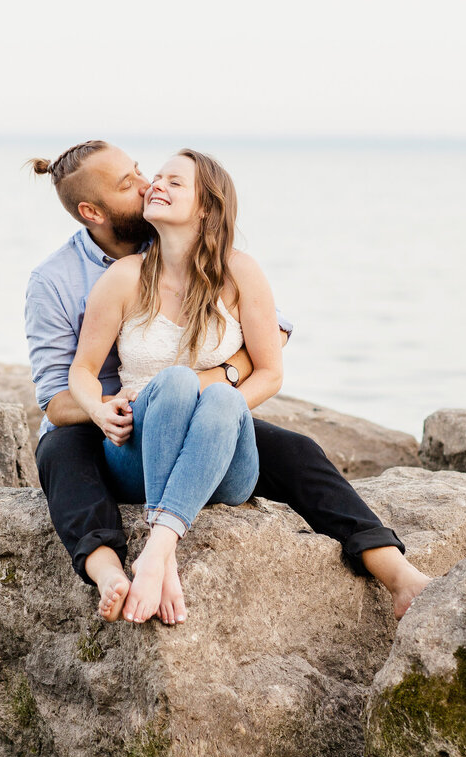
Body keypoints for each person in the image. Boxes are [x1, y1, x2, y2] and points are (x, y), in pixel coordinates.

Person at [25, 140, 429, 625]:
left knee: (296, 451)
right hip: (109, 428)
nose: (147, 184)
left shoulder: (188, 243)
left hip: (202, 407)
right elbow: (54, 396)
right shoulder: (59, 280)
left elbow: (272, 335)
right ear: (93, 212)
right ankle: (111, 570)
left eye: (142, 172)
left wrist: (212, 381)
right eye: (129, 183)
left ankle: (397, 571)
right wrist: (103, 407)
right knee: (62, 456)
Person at [67, 148, 282, 625]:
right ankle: (165, 552)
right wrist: (99, 410)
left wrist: (216, 410)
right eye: (156, 177)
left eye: (174, 182)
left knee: (221, 395)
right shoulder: (124, 279)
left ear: (207, 206)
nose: (156, 185)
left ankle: (156, 550)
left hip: (223, 465)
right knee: (180, 380)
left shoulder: (241, 272)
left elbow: (271, 372)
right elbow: (81, 370)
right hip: (138, 457)